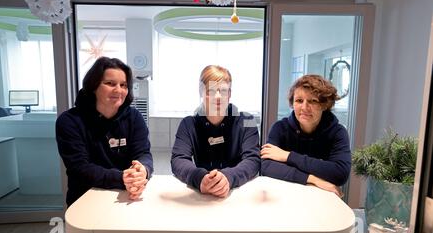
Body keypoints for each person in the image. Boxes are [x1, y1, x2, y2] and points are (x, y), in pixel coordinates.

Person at [56, 57, 153, 206]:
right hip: (86, 198)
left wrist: (142, 170)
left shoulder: (134, 117)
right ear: (93, 86)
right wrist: (122, 178)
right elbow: (80, 168)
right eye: (110, 84)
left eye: (124, 85)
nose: (119, 90)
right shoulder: (70, 121)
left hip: (127, 195)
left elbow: (143, 153)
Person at [171, 65, 260, 198]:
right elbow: (178, 159)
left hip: (237, 193)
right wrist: (199, 178)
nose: (218, 97)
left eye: (223, 91)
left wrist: (228, 177)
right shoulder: (188, 124)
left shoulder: (247, 120)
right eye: (211, 91)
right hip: (202, 194)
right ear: (201, 92)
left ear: (229, 94)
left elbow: (253, 159)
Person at [261, 74, 351, 197]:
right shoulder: (280, 128)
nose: (304, 107)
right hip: (285, 195)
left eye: (313, 101)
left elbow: (340, 174)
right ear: (292, 103)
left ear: (325, 105)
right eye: (299, 100)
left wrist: (288, 156)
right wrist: (312, 179)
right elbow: (266, 166)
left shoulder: (337, 132)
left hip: (321, 197)